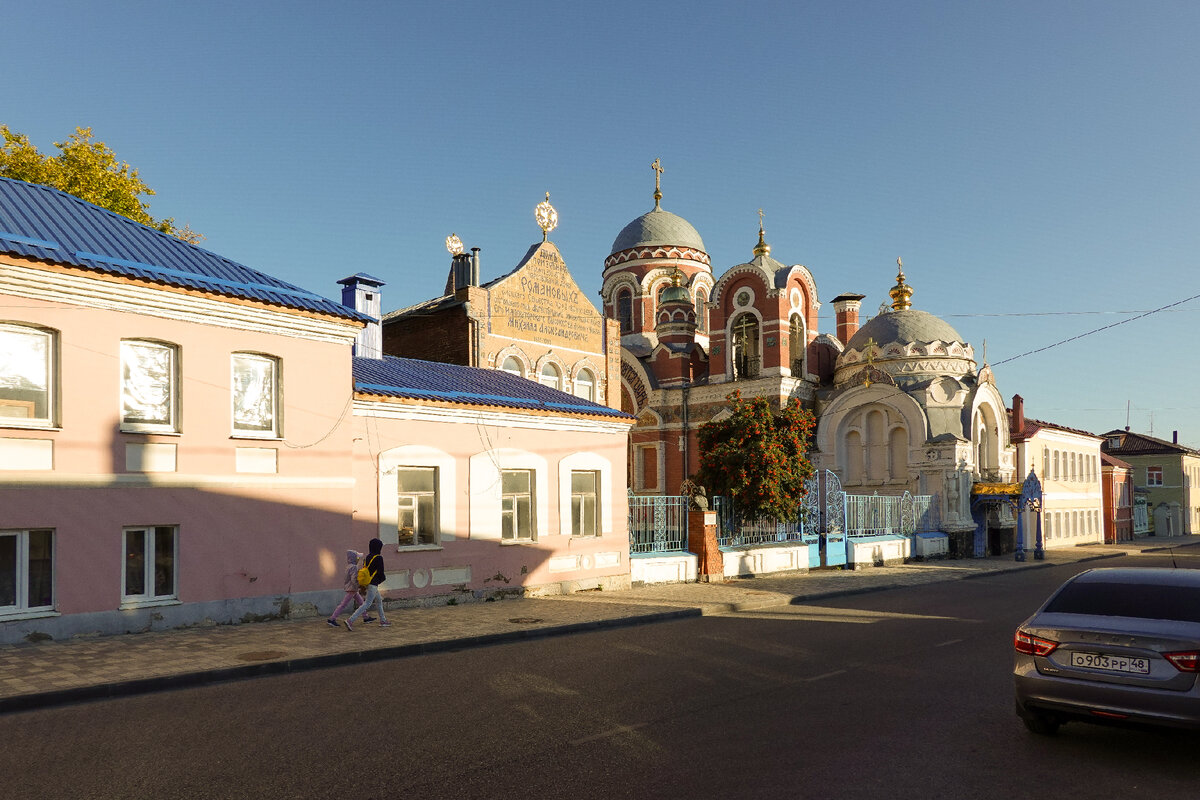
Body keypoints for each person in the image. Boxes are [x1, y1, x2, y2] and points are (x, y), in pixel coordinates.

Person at [345, 538, 389, 630]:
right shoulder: (379, 558)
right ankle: (350, 620)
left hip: (368, 582)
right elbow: (381, 572)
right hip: (373, 584)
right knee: (367, 603)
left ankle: (383, 620)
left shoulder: (368, 557)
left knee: (379, 601)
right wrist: (382, 579)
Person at [326, 550, 374, 628]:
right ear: (354, 558)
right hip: (352, 588)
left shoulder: (349, 566)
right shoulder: (354, 567)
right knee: (343, 604)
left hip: (352, 588)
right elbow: (354, 579)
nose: (358, 559)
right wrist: (359, 585)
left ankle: (366, 617)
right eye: (357, 557)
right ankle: (332, 619)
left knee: (361, 602)